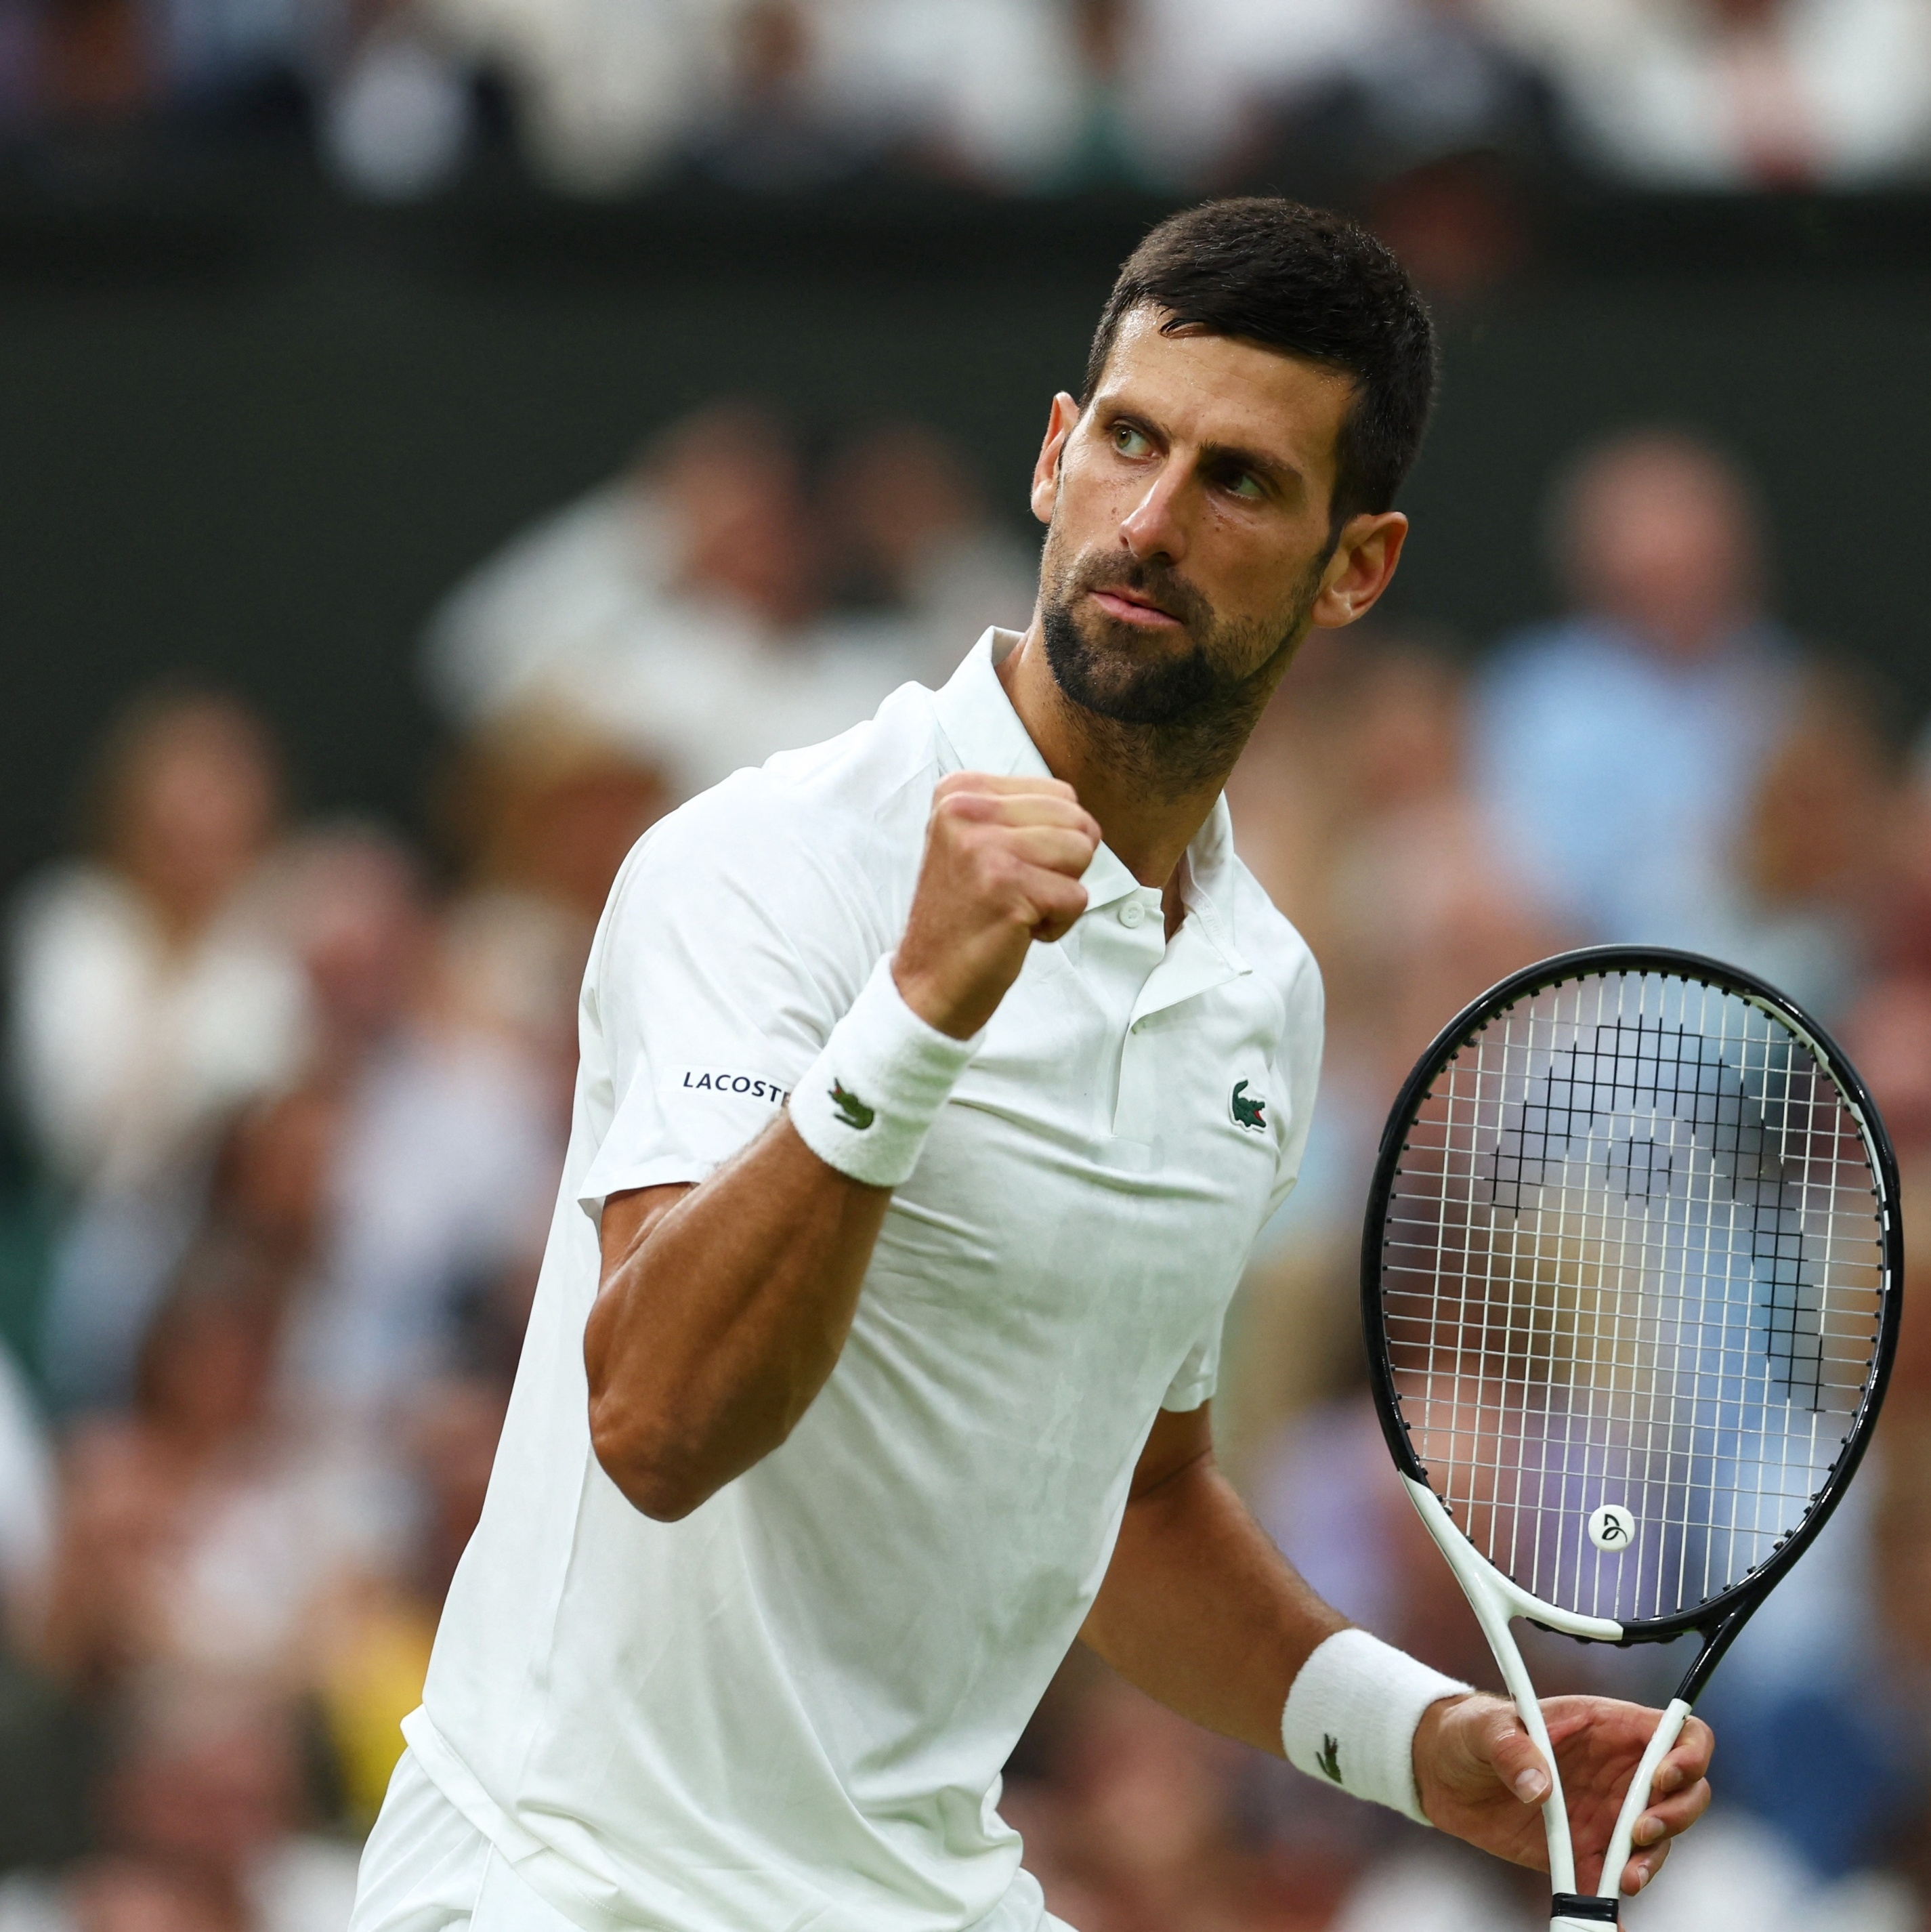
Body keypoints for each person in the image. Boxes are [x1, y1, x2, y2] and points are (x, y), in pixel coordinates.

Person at [352, 198, 1714, 1932]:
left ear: (1353, 564)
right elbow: (658, 1423)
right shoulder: (763, 863)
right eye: (1131, 442)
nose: (1149, 522)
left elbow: (1128, 1499)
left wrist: (1427, 1743)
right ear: (1055, 455)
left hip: (921, 1891)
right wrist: (915, 1015)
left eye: (1237, 481)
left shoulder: (1255, 996)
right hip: (564, 1877)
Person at [1468, 427, 1795, 952]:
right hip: (1574, 980)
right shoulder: (1537, 696)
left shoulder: (1792, 691)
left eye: (1691, 549)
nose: (1672, 573)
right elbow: (1519, 877)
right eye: (1649, 557)